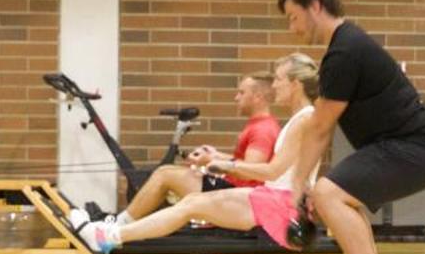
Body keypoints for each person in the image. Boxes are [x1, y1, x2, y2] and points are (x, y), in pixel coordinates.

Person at [277, 0, 425, 254]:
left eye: (294, 17)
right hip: (402, 148)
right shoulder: (345, 47)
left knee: (328, 193)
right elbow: (318, 126)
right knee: (338, 197)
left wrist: (298, 184)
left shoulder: (345, 52)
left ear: (316, 6)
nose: (292, 28)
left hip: (412, 150)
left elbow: (320, 127)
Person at [75, 54, 318, 254]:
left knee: (189, 204)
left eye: (278, 79)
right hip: (275, 199)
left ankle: (107, 236)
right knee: (190, 204)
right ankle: (108, 235)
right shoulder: (302, 118)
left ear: (295, 84)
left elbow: (272, 171)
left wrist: (226, 165)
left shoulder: (305, 119)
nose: (274, 85)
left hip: (279, 206)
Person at [81, 73, 281, 229]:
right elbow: (246, 161)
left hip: (239, 198)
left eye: (241, 93)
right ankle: (122, 222)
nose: (235, 97)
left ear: (258, 97)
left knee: (165, 174)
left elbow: (254, 169)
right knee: (167, 173)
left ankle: (117, 225)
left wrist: (212, 161)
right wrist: (216, 156)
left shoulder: (262, 129)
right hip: (235, 189)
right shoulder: (261, 124)